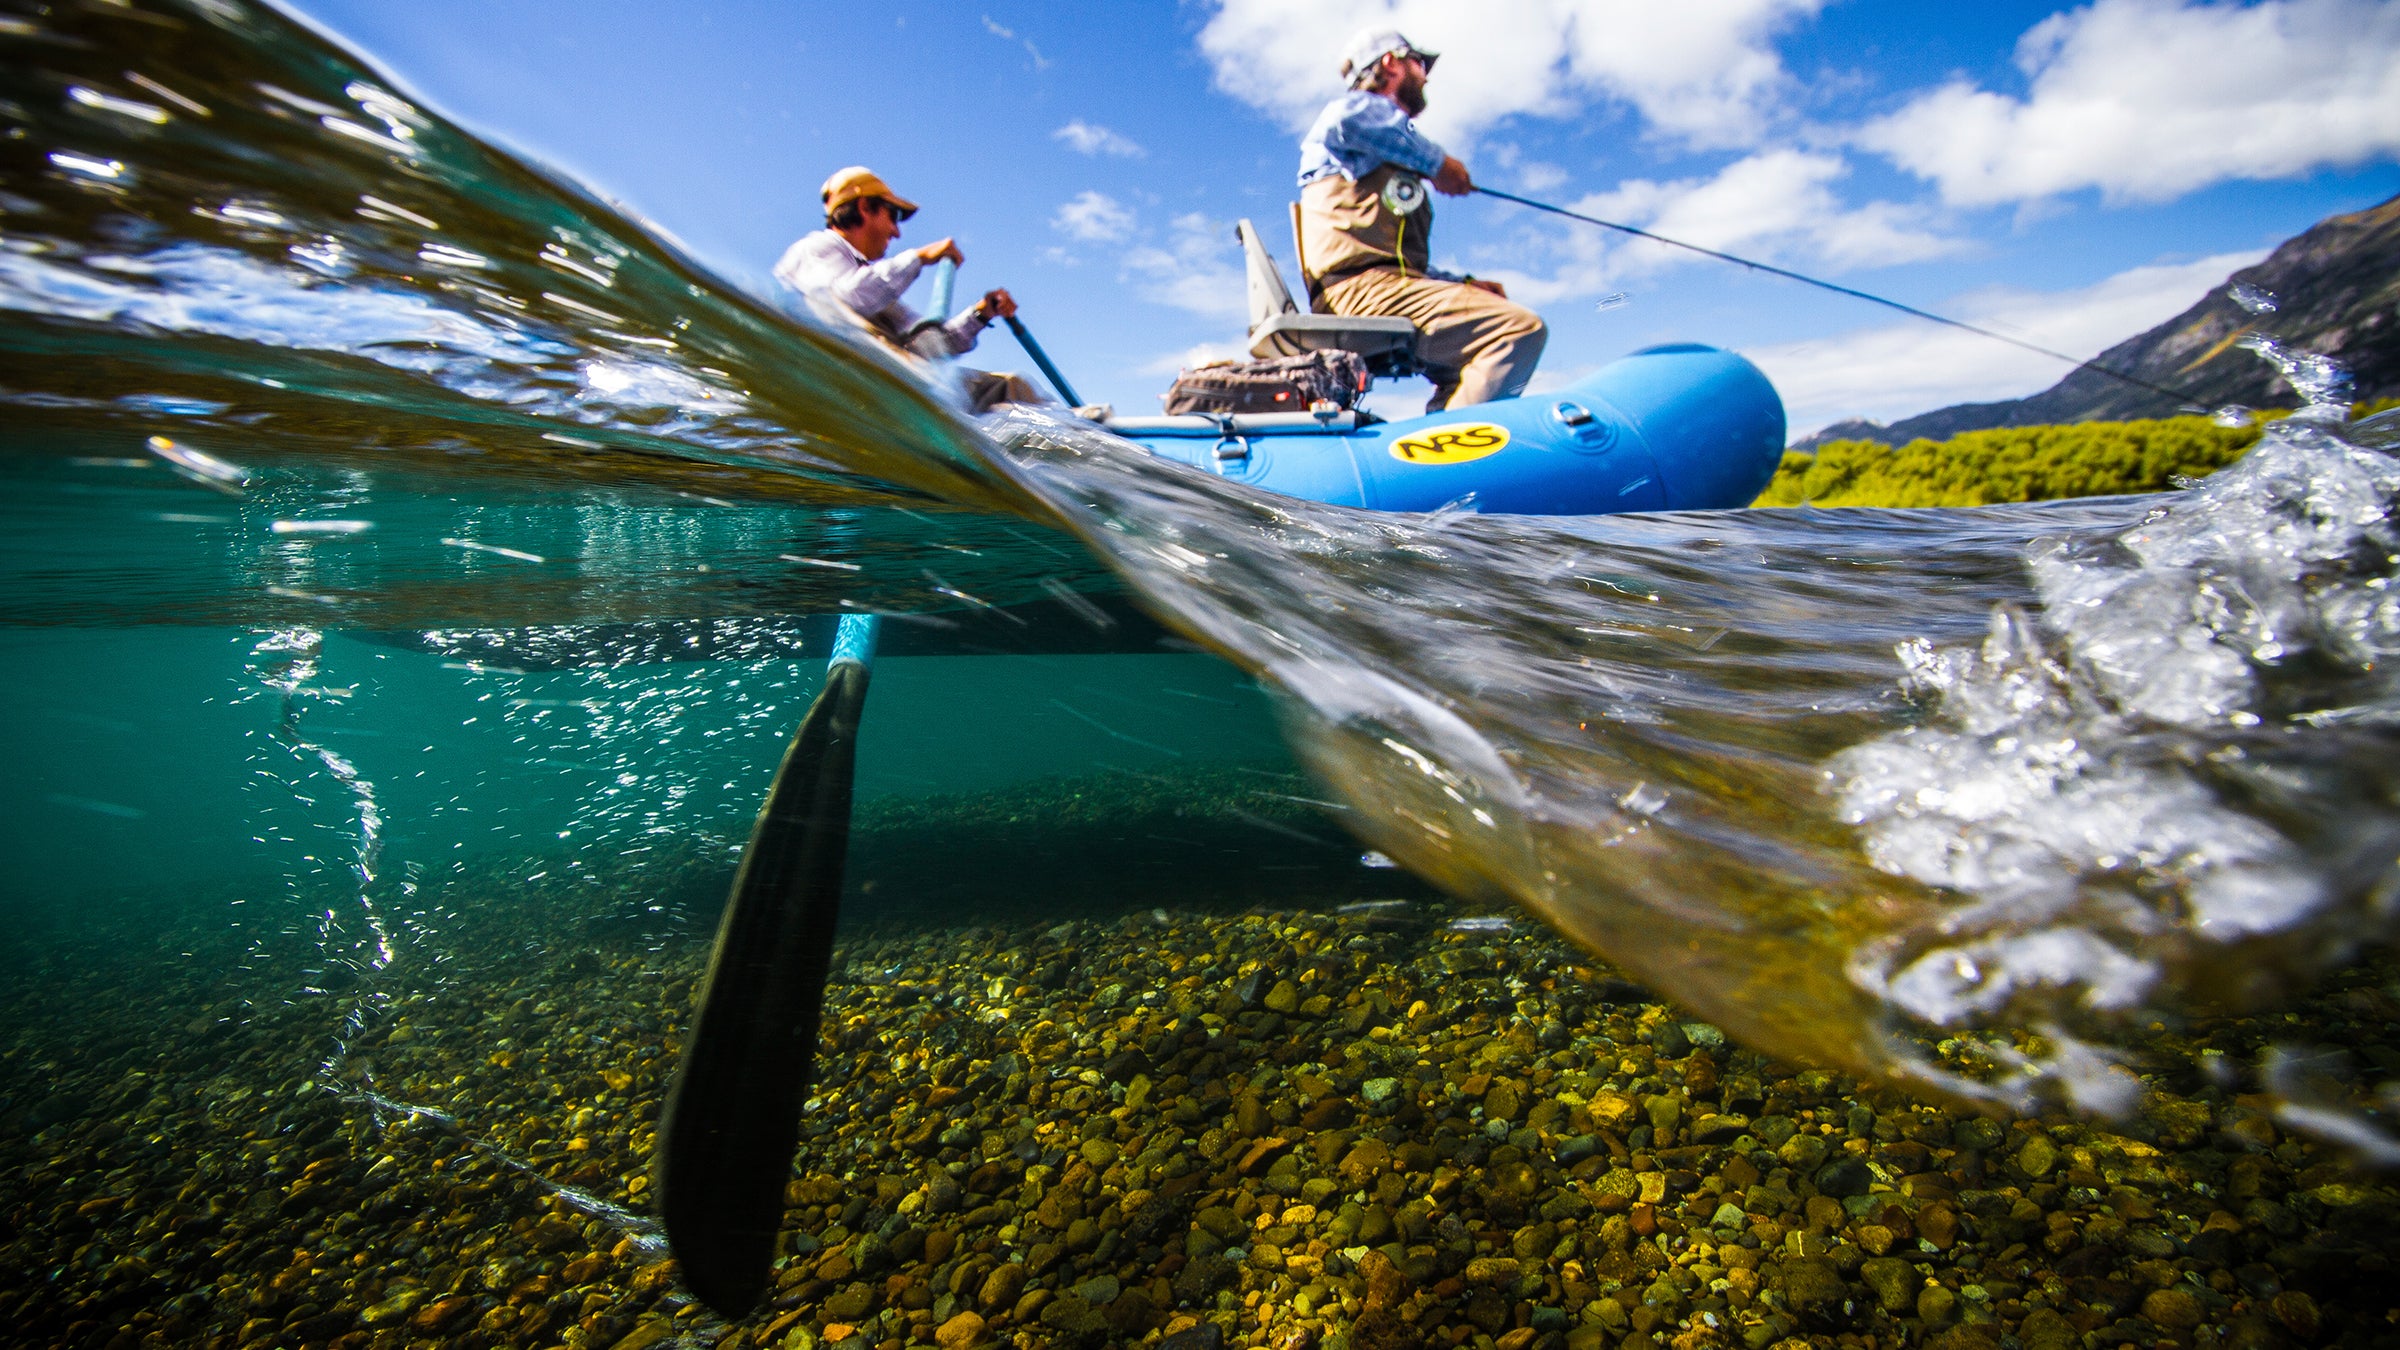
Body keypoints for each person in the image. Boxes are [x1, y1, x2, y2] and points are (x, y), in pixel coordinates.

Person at [1296, 30, 1546, 412]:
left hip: (1382, 287)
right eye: (1419, 63)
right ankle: (1462, 459)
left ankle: (1438, 451)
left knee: (1458, 369)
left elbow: (1391, 263)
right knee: (1517, 330)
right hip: (1362, 293)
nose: (1426, 75)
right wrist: (1438, 165)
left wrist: (1464, 285)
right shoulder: (1355, 114)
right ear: (1390, 63)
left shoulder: (1380, 156)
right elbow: (1345, 121)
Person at [773, 166, 1042, 412]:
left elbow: (931, 343)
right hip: (842, 390)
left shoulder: (868, 284)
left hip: (888, 388)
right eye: (894, 216)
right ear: (865, 207)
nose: (896, 232)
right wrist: (920, 257)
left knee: (1011, 387)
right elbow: (843, 298)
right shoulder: (815, 250)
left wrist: (981, 314)